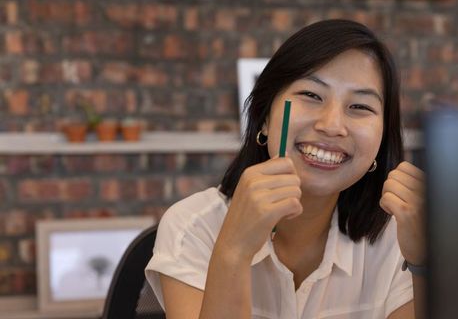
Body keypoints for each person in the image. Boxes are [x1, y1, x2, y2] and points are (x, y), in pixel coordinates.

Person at [145, 19, 426, 319]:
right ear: (265, 117)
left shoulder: (399, 236)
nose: (331, 126)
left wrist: (426, 262)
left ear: (382, 140)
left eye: (360, 107)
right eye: (311, 95)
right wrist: (233, 251)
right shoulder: (194, 227)